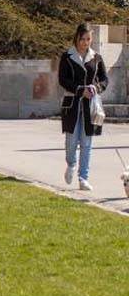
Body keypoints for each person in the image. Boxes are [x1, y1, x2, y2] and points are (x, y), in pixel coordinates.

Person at [59, 22, 110, 192]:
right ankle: (71, 164)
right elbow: (62, 80)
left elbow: (104, 80)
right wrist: (80, 90)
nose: (85, 42)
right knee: (71, 141)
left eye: (88, 39)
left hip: (91, 107)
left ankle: (83, 178)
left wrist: (96, 88)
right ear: (77, 37)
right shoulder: (67, 56)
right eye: (83, 39)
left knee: (87, 143)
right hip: (72, 104)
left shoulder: (96, 58)